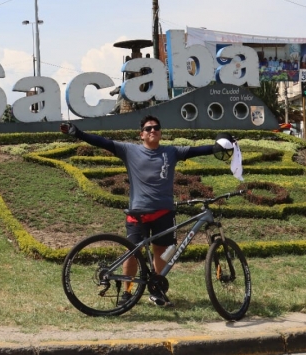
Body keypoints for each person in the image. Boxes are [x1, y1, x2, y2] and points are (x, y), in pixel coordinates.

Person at [60, 115, 216, 308]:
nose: (153, 131)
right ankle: (127, 292)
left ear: (160, 132)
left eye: (156, 128)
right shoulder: (129, 150)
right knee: (132, 253)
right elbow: (103, 142)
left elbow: (195, 151)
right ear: (141, 134)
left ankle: (157, 290)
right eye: (148, 129)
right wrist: (78, 133)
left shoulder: (171, 152)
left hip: (164, 213)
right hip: (138, 213)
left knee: (163, 251)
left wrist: (218, 147)